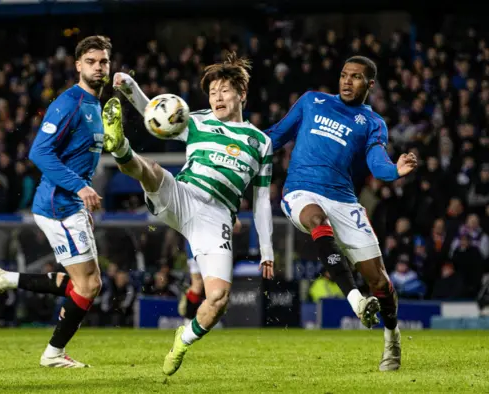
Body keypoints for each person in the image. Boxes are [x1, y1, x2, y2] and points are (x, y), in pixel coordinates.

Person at [105, 53, 274, 376]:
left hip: (217, 218)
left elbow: (262, 199)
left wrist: (266, 249)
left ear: (242, 94)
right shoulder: (197, 121)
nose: (217, 98)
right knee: (152, 170)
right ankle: (120, 146)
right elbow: (156, 115)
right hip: (185, 195)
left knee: (219, 299)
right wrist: (130, 88)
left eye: (224, 91)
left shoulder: (260, 142)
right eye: (212, 93)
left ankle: (183, 339)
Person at [266, 56, 418, 372]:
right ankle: (355, 301)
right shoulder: (312, 101)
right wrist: (240, 139)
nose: (348, 81)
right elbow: (276, 135)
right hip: (301, 191)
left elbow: (377, 163)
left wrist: (394, 170)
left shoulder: (373, 122)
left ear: (370, 85)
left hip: (344, 201)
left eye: (357, 77)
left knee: (379, 279)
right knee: (316, 221)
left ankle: (392, 336)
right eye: (344, 75)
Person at [0, 36, 112, 368]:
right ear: (78, 65)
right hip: (57, 205)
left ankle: (5, 279)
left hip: (69, 205)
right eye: (91, 61)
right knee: (90, 284)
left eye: (104, 62)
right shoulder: (69, 103)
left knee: (86, 283)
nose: (98, 67)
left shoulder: (95, 105)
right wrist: (80, 189)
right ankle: (53, 353)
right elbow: (39, 152)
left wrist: (80, 198)